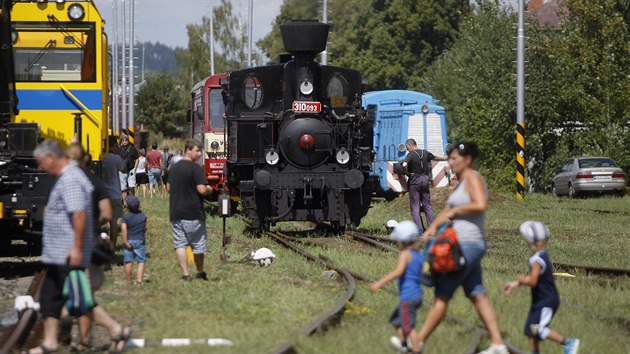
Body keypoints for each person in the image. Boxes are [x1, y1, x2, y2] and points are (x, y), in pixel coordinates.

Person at [413, 141, 508, 354]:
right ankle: (498, 344)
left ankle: (417, 342)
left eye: (455, 158)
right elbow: (447, 209)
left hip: (467, 244)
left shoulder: (473, 178)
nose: (451, 162)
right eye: (450, 158)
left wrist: (458, 212)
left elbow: (480, 204)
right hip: (463, 243)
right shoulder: (461, 183)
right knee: (477, 293)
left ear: (468, 160)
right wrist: (432, 230)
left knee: (443, 294)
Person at [25, 139, 94, 354]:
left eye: (40, 163)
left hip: (68, 252)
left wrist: (76, 248)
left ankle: (116, 329)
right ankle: (50, 343)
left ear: (51, 158)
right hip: (59, 254)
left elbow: (79, 214)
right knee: (49, 298)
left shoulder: (70, 179)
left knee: (80, 299)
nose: (39, 168)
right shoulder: (65, 177)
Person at [64, 143, 131, 353]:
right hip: (91, 242)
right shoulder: (94, 181)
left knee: (81, 297)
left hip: (82, 245)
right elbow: (106, 215)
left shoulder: (75, 182)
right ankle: (84, 341)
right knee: (85, 296)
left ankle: (115, 329)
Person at [504, 221, 580, 354]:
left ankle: (567, 342)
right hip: (540, 301)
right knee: (531, 330)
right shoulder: (542, 256)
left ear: (531, 241)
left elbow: (533, 281)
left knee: (538, 329)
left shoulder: (536, 260)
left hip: (546, 301)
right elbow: (535, 278)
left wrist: (522, 280)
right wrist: (515, 283)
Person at [369, 220, 424, 354]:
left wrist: (379, 283)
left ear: (402, 240)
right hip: (417, 295)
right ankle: (404, 346)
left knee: (409, 327)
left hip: (408, 296)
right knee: (395, 320)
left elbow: (398, 272)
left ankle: (416, 349)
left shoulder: (405, 254)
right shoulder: (419, 255)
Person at [167, 139, 212, 281]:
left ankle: (185, 275)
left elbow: (168, 188)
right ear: (188, 150)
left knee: (180, 244)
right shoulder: (196, 169)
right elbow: (202, 189)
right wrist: (210, 189)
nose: (200, 154)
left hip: (176, 212)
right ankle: (200, 272)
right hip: (193, 213)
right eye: (197, 150)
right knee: (198, 244)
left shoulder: (174, 168)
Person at [400, 139, 446, 233]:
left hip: (415, 180)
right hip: (425, 179)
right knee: (427, 205)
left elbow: (404, 164)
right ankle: (433, 229)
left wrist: (407, 173)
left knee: (415, 206)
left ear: (410, 145)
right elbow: (436, 158)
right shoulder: (425, 153)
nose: (407, 149)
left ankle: (419, 230)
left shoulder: (411, 154)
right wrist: (448, 158)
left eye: (407, 147)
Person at [102, 143, 126, 250]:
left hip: (102, 195)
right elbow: (124, 169)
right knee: (113, 224)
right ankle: (112, 249)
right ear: (112, 146)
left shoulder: (101, 157)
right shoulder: (116, 158)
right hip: (115, 194)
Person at [121, 195, 147, 285]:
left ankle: (129, 281)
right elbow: (145, 228)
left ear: (127, 206)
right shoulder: (143, 216)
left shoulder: (125, 218)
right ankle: (139, 280)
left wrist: (125, 241)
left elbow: (124, 230)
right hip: (140, 240)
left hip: (129, 241)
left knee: (128, 261)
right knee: (141, 261)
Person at [119, 135, 138, 199]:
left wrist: (135, 168)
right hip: (122, 171)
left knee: (131, 186)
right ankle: (125, 203)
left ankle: (132, 199)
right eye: (123, 140)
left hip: (131, 169)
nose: (124, 142)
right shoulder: (119, 149)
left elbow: (137, 159)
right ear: (121, 141)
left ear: (128, 141)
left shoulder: (132, 149)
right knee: (123, 188)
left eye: (126, 140)